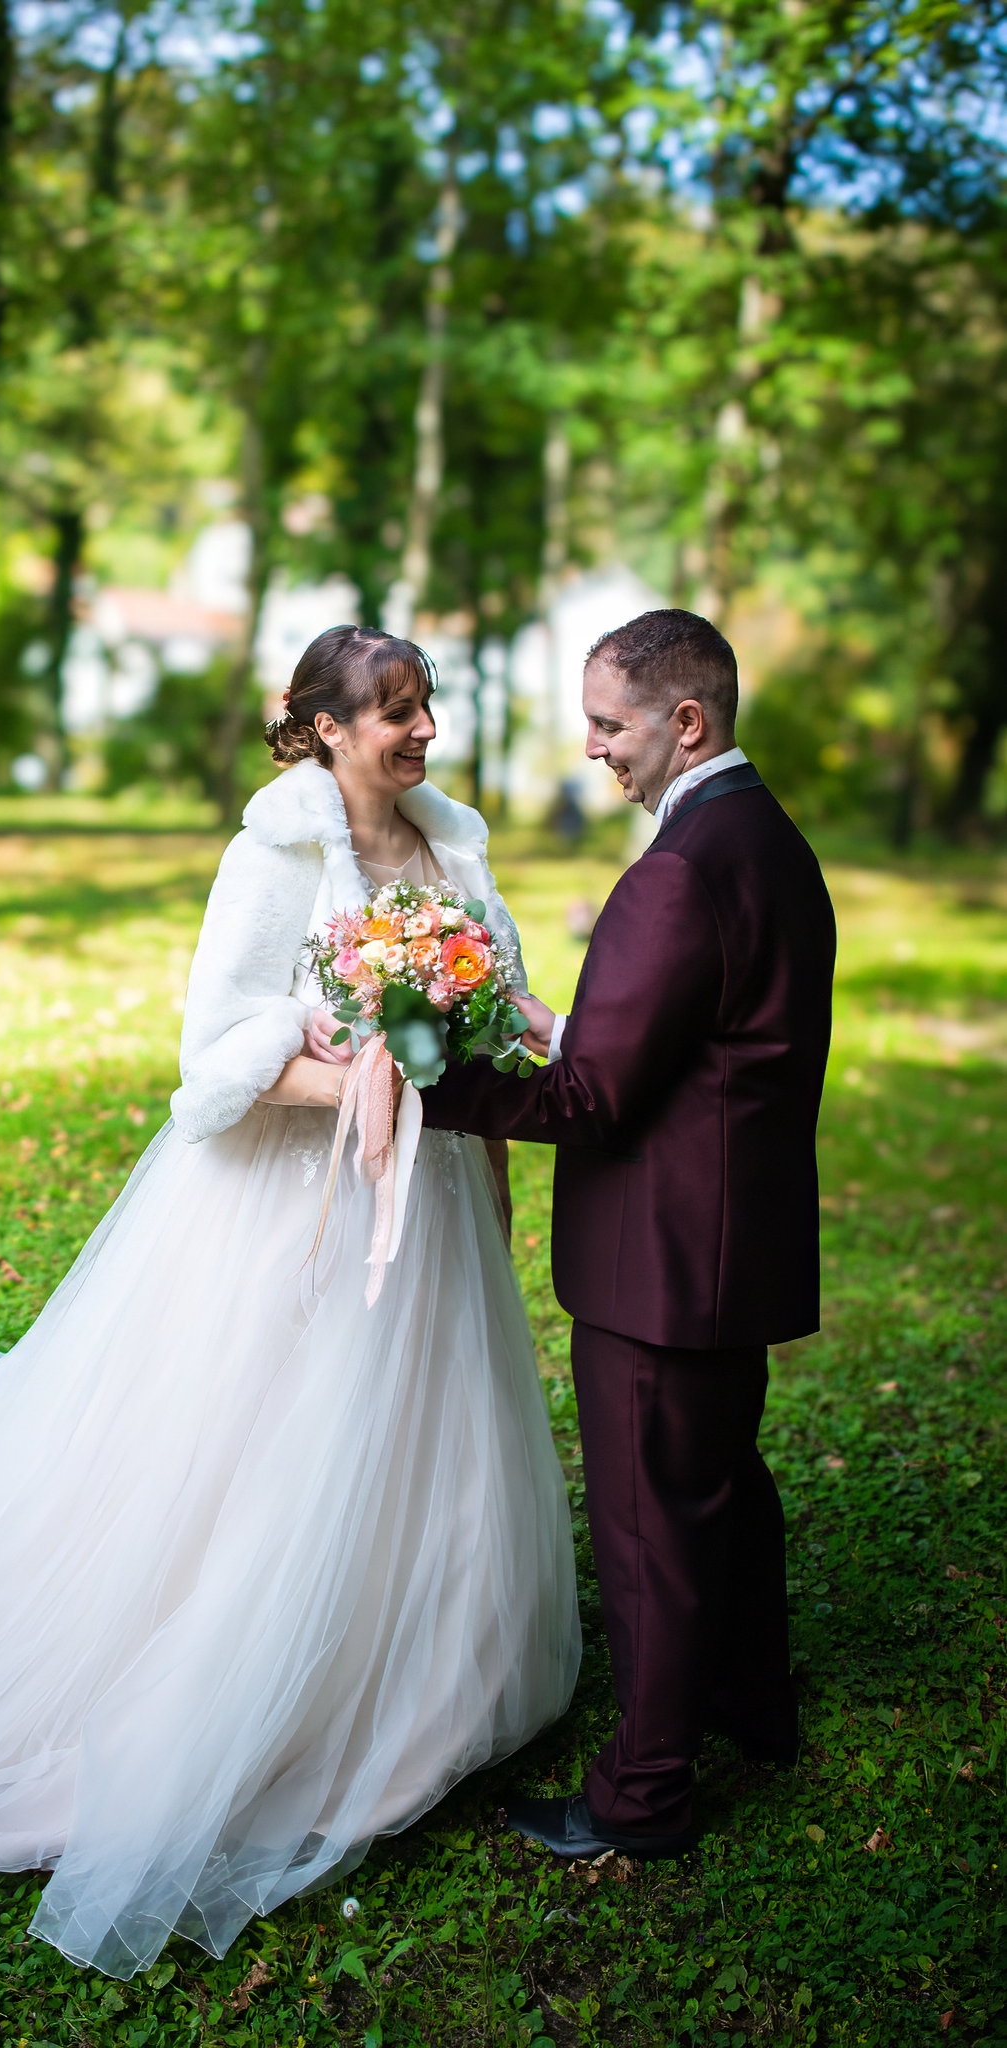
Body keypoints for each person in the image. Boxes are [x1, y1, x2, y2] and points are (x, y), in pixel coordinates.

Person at [0, 625, 580, 1978]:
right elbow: (211, 1060)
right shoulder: (271, 857)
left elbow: (495, 1009)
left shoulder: (454, 851)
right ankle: (246, 1682)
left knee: (426, 1446)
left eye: (426, 707)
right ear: (324, 728)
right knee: (257, 1460)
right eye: (395, 712)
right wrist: (358, 1080)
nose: (421, 731)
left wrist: (471, 1094)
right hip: (284, 1210)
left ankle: (423, 1679)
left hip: (428, 1214)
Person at [421, 608, 836, 1860]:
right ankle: (748, 1704)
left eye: (609, 723)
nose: (593, 746)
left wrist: (431, 1084)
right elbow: (710, 1042)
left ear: (685, 721)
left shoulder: (677, 869)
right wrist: (560, 1022)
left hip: (660, 1264)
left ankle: (642, 1796)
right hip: (730, 1246)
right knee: (721, 1490)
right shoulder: (766, 839)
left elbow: (594, 1101)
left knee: (654, 1528)